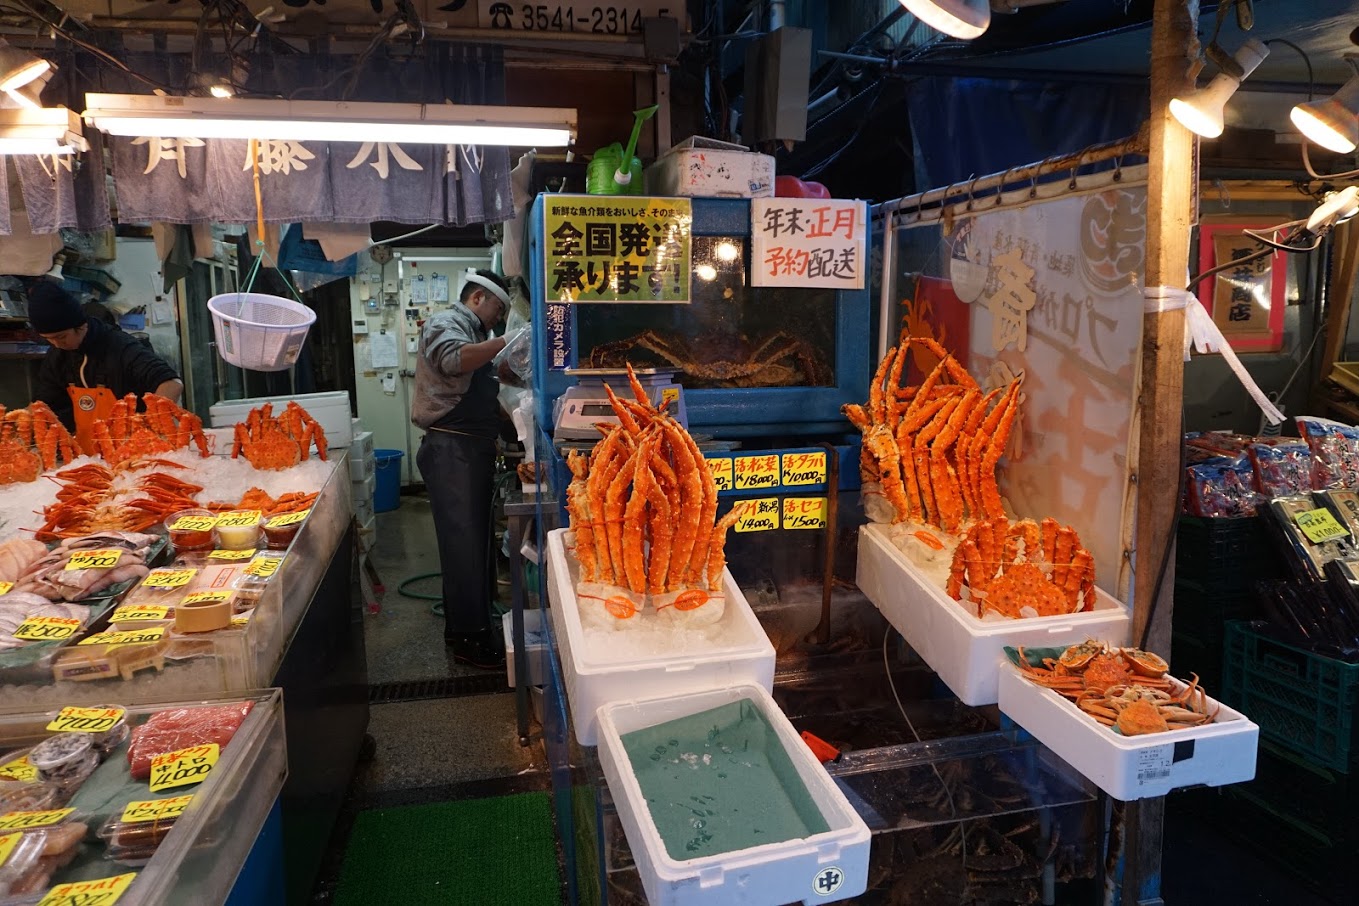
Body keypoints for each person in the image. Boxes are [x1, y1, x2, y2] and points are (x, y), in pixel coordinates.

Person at [412, 268, 513, 670]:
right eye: (497, 310)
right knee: (464, 546)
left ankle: (469, 627)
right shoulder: (447, 322)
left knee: (474, 546)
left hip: (470, 450)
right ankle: (470, 641)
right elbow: (453, 360)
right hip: (452, 450)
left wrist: (515, 428)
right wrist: (508, 342)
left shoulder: (475, 333)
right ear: (477, 298)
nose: (497, 319)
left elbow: (487, 395)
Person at [28, 281, 184, 445]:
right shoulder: (57, 356)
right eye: (48, 339)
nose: (56, 344)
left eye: (61, 337)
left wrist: (151, 423)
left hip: (133, 451)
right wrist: (16, 421)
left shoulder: (122, 347)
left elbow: (172, 384)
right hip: (85, 456)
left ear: (80, 326)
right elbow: (43, 405)